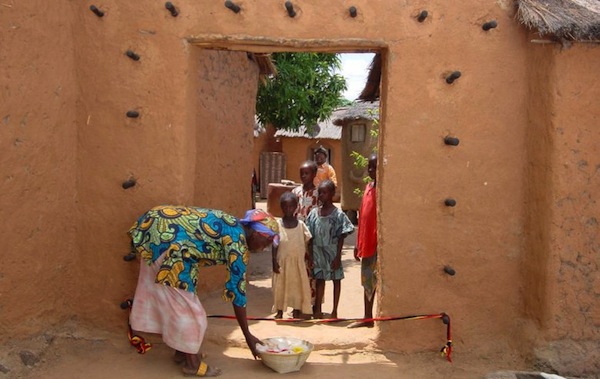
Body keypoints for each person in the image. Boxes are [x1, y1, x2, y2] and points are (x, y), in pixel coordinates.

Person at [128, 205, 279, 377]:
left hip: (161, 232)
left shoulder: (234, 226)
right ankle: (192, 364)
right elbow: (238, 294)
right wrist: (248, 336)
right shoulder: (237, 245)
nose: (265, 248)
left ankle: (182, 353)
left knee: (178, 303)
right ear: (257, 234)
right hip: (168, 243)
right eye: (267, 242)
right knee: (192, 313)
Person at [305, 180, 354, 319]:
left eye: (324, 192)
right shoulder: (314, 213)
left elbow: (342, 236)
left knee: (335, 280)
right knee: (320, 280)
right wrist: (312, 256)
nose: (321, 195)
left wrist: (338, 256)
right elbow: (310, 236)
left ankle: (334, 311)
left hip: (332, 253)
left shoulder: (338, 215)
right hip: (317, 252)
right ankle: (318, 309)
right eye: (319, 192)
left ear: (332, 194)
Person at [348, 153, 378, 329]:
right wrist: (357, 243)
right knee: (367, 280)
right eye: (370, 167)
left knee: (377, 280)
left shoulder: (383, 190)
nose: (371, 170)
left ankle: (372, 317)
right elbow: (362, 217)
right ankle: (368, 317)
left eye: (375, 167)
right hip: (367, 242)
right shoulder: (368, 187)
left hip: (377, 244)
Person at [271, 192, 313, 319]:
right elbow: (275, 244)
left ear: (296, 207)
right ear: (281, 207)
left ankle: (296, 309)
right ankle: (279, 310)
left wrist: (311, 258)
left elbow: (309, 242)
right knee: (280, 287)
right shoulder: (277, 225)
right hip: (282, 263)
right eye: (285, 207)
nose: (288, 209)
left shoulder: (301, 225)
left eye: (291, 207)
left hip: (297, 264)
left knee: (297, 287)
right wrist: (273, 260)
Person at [292, 160, 320, 310]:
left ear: (314, 174)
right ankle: (298, 305)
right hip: (297, 238)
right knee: (297, 271)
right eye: (301, 173)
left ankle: (313, 303)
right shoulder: (295, 192)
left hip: (313, 239)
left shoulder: (318, 193)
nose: (303, 176)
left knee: (312, 271)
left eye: (307, 173)